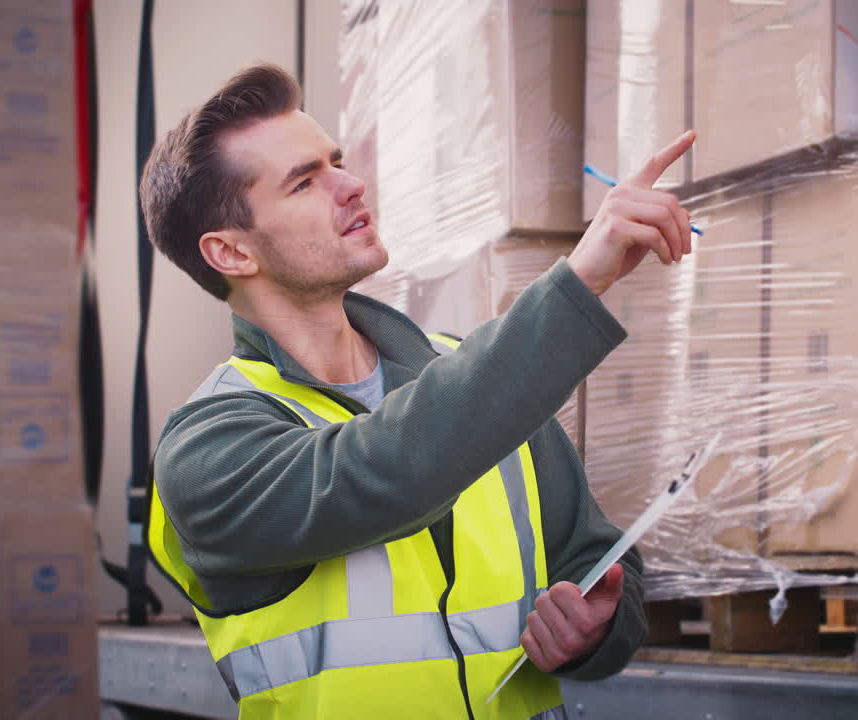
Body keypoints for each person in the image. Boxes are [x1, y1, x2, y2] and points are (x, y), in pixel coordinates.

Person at [139, 64, 696, 720]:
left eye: (337, 161)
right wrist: (576, 283)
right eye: (305, 182)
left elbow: (591, 550)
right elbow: (388, 471)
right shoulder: (209, 448)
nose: (351, 185)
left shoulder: (466, 371)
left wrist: (596, 625)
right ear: (232, 254)